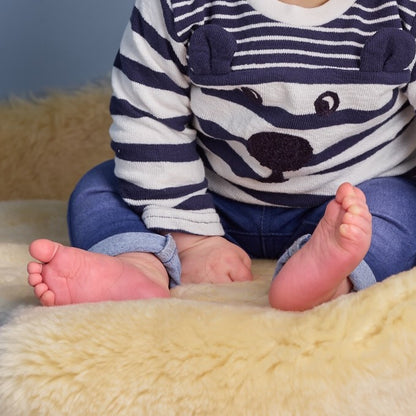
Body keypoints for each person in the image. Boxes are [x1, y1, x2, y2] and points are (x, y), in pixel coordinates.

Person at [28, 0, 416, 311]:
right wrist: (193, 240)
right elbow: (148, 119)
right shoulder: (178, 8)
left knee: (400, 208)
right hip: (208, 196)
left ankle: (331, 279)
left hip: (350, 202)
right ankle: (137, 264)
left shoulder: (403, 12)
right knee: (102, 187)